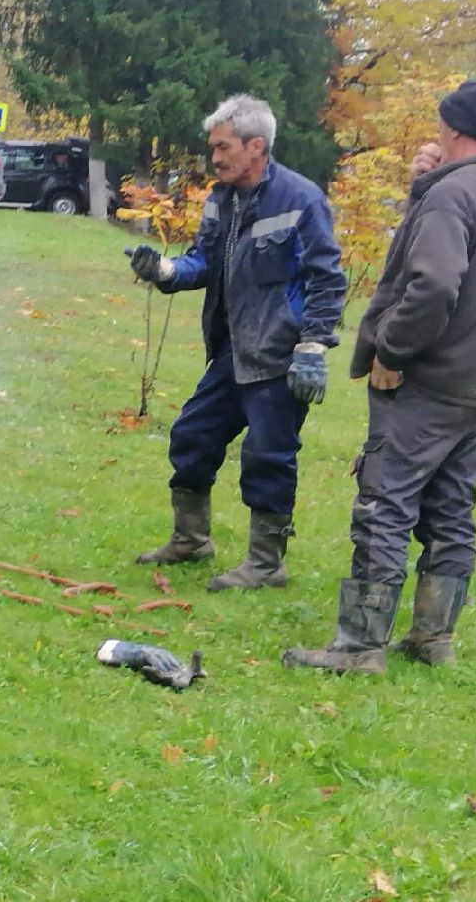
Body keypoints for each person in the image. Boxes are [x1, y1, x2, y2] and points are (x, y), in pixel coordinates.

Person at [284, 79, 476, 674]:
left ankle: (359, 645)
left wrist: (391, 352)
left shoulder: (453, 198)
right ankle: (432, 637)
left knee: (384, 505)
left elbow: (436, 285)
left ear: (453, 128)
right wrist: (425, 186)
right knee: (451, 511)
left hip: (427, 382)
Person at [128, 94, 346, 591]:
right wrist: (164, 270)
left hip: (280, 356)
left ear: (256, 146)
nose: (216, 158)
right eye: (214, 148)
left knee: (268, 456)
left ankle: (267, 564)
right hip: (233, 351)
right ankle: (191, 539)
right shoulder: (221, 198)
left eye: (223, 147)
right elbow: (203, 260)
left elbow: (327, 278)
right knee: (192, 435)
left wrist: (313, 345)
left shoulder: (301, 199)